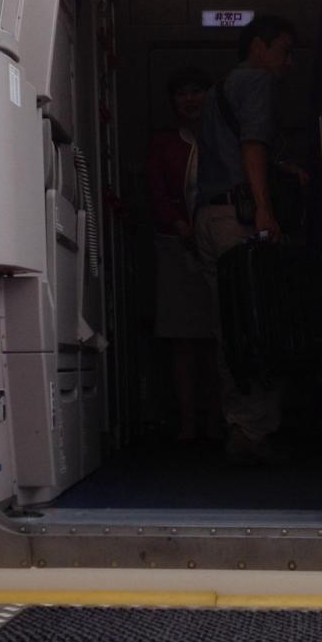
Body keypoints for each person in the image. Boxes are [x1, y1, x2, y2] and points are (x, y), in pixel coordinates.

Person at [195, 14, 307, 464]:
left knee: (230, 323)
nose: (289, 63)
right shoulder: (258, 82)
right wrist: (264, 207)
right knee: (259, 320)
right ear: (259, 46)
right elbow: (251, 146)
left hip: (209, 217)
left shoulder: (217, 92)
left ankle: (239, 423)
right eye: (284, 51)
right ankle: (253, 431)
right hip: (239, 216)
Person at [145, 65, 217, 442]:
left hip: (218, 245)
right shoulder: (163, 143)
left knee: (220, 337)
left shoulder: (224, 137)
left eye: (197, 91)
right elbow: (156, 192)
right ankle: (188, 423)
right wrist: (179, 225)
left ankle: (219, 420)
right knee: (183, 339)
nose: (190, 99)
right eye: (182, 93)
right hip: (177, 247)